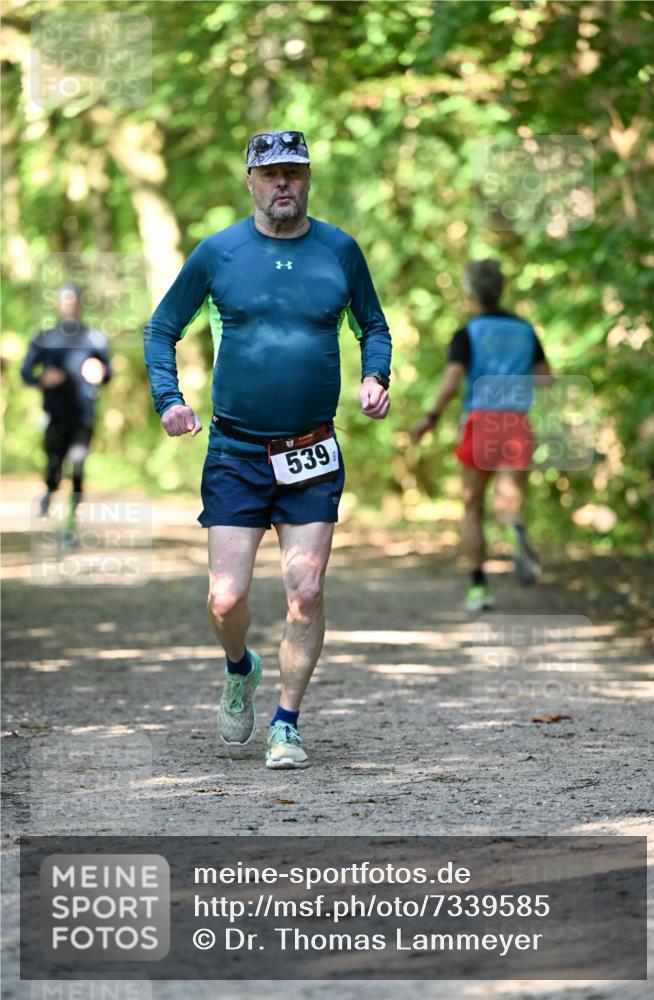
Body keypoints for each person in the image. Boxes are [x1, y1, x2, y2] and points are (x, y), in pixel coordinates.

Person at [144, 130, 391, 769]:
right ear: (250, 181)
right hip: (235, 450)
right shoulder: (219, 252)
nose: (284, 184)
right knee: (226, 599)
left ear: (309, 179)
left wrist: (375, 375)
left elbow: (374, 325)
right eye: (271, 173)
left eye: (295, 172)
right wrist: (169, 399)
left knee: (304, 590)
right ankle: (239, 667)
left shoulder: (340, 250)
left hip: (312, 451)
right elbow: (162, 329)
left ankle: (287, 724)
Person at [411, 259, 552, 611]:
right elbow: (546, 379)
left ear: (471, 292)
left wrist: (430, 418)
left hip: (481, 422)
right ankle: (514, 528)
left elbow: (452, 381)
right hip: (516, 423)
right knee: (509, 500)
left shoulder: (468, 332)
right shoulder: (525, 330)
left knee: (472, 507)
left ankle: (478, 588)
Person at [21, 283, 112, 536]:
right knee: (54, 465)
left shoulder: (93, 338)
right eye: (66, 300)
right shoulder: (45, 337)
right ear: (59, 304)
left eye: (75, 300)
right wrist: (41, 379)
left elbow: (108, 373)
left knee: (79, 466)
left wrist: (100, 372)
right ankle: (50, 491)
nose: (71, 304)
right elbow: (25, 372)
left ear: (81, 304)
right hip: (53, 413)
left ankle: (70, 524)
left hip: (83, 413)